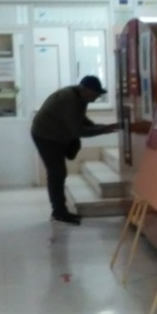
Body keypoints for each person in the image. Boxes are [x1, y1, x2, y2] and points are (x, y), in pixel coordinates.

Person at [31, 76, 119, 225]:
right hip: (46, 136)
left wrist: (100, 126)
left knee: (59, 170)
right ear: (84, 89)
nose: (97, 97)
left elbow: (81, 119)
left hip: (57, 134)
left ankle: (59, 210)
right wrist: (105, 129)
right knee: (57, 173)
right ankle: (59, 212)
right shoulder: (68, 99)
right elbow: (77, 130)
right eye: (95, 94)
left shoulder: (80, 98)